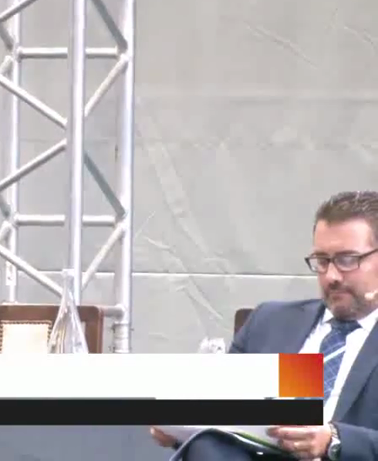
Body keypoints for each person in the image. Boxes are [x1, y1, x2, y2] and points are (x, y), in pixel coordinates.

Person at [150, 191, 378, 460]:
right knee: (207, 445)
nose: (331, 276)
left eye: (347, 260)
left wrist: (335, 440)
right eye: (322, 260)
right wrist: (180, 425)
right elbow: (220, 411)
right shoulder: (269, 322)